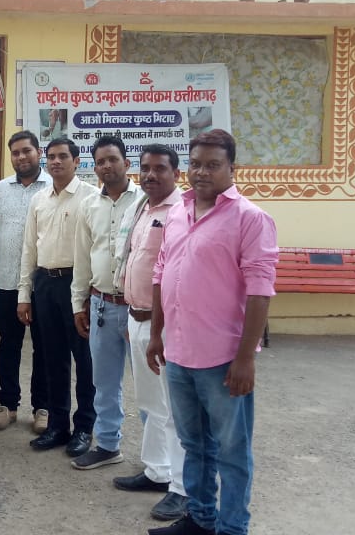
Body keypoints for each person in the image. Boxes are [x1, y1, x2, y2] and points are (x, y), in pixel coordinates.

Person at [147, 130, 278, 535]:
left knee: (232, 452)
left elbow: (260, 290)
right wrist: (156, 335)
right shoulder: (178, 212)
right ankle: (201, 519)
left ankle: (232, 528)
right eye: (196, 164)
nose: (202, 172)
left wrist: (245, 358)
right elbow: (161, 273)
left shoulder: (250, 219)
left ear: (232, 168)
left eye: (213, 165)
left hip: (222, 359)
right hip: (178, 354)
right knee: (194, 445)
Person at [114, 144, 190, 522]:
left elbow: (175, 274)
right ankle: (158, 471)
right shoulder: (142, 208)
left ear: (176, 173)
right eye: (145, 168)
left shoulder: (182, 211)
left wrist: (157, 328)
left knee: (175, 408)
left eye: (160, 168)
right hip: (137, 317)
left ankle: (182, 487)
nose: (150, 175)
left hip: (165, 324)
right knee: (150, 403)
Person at [17, 138, 94, 456]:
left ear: (77, 161)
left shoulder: (90, 197)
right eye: (51, 157)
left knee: (85, 360)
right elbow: (29, 249)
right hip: (45, 284)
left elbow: (96, 247)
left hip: (78, 283)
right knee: (53, 359)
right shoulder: (39, 199)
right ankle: (58, 425)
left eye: (63, 156)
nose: (56, 162)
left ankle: (85, 427)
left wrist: (88, 294)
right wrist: (24, 294)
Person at [69, 136, 142, 470]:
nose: (107, 166)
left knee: (151, 386)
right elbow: (82, 258)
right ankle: (108, 445)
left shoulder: (145, 202)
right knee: (104, 383)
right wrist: (78, 304)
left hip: (139, 309)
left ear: (126, 163)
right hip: (101, 306)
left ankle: (161, 462)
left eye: (113, 159)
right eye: (100, 161)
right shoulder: (89, 206)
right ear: (94, 167)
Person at [0, 130, 52, 432]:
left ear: (39, 152)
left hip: (43, 284)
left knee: (44, 347)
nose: (21, 157)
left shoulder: (52, 187)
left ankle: (42, 408)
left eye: (27, 151)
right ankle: (8, 405)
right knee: (8, 345)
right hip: (6, 281)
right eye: (16, 152)